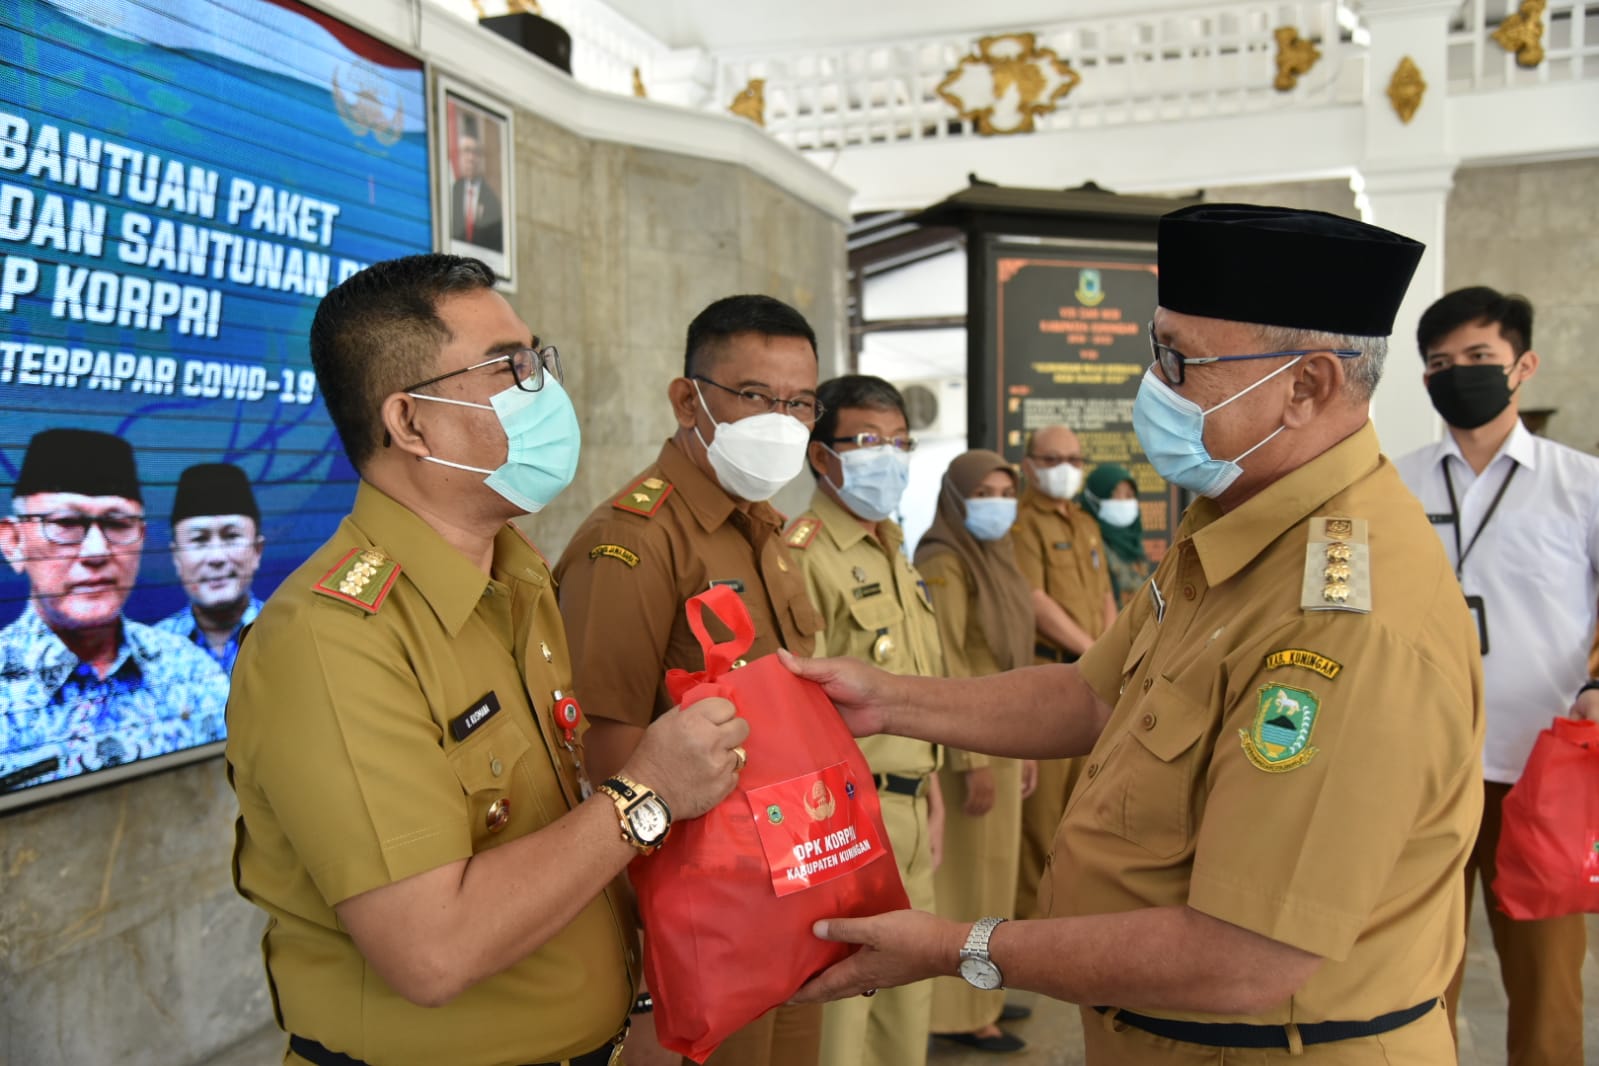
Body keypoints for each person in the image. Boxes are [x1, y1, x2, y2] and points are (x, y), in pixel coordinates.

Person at [783, 204, 1485, 1065]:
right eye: (1156, 350)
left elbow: (1244, 957)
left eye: (1181, 361)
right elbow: (1091, 693)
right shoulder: (1237, 524)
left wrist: (955, 948)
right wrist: (888, 699)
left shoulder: (1345, 620)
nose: (1153, 387)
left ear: (1306, 387)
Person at [225, 254, 748, 1066]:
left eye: (538, 359)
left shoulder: (517, 576)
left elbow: (553, 838)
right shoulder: (333, 640)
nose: (543, 387)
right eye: (510, 367)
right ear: (409, 422)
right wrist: (648, 795)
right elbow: (432, 951)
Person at [554, 293, 825, 1066]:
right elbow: (604, 759)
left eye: (800, 401)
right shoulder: (631, 543)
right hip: (706, 910)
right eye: (754, 396)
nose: (782, 418)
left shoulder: (766, 529)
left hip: (795, 877)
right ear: (687, 399)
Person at [1394, 285, 1599, 1066]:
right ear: (1423, 381)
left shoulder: (1578, 484)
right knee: (1413, 974)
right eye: (1441, 363)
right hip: (1420, 768)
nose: (1460, 374)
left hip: (1540, 769)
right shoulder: (1391, 485)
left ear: (1522, 367)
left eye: (1479, 357)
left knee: (1547, 983)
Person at [786, 374, 947, 1066]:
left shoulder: (892, 545)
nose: (889, 456)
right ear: (821, 456)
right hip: (849, 817)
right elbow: (797, 717)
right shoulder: (801, 555)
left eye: (900, 442)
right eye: (867, 441)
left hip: (910, 809)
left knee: (906, 1012)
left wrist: (930, 784)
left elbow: (916, 684)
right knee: (844, 1019)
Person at [0, 429, 228, 789]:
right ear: (13, 543)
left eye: (117, 524)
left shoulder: (189, 670)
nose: (96, 552)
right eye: (65, 524)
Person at [914, 449, 1036, 1055]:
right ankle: (957, 1012)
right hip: (971, 739)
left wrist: (1027, 740)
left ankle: (984, 994)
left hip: (1003, 730)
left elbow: (1014, 656)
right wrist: (973, 758)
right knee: (967, 880)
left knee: (996, 874)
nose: (996, 503)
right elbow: (948, 663)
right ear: (958, 498)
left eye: (1004, 490)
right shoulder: (944, 559)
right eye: (983, 492)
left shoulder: (995, 554)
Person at [1011, 425, 1117, 923]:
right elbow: (1035, 602)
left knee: (1085, 815)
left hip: (1096, 680)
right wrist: (1097, 652)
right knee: (1042, 823)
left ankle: (1068, 921)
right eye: (1053, 459)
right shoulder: (1021, 524)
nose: (1066, 469)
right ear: (1029, 465)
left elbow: (1104, 596)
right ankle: (1028, 937)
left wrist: (1115, 652)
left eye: (1075, 459)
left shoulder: (1083, 523)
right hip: (1053, 678)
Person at [154, 462, 265, 674]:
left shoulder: (290, 631)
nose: (216, 557)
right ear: (177, 557)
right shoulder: (151, 651)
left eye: (231, 536)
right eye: (199, 540)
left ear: (257, 551)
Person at [1080, 463, 1153, 611]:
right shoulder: (1085, 541)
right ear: (1096, 498)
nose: (1126, 501)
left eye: (1130, 495)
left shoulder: (1133, 543)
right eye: (1115, 494)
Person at [450, 132, 503, 252]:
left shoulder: (492, 201)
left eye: (476, 153)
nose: (471, 158)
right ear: (458, 155)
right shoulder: (451, 193)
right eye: (466, 151)